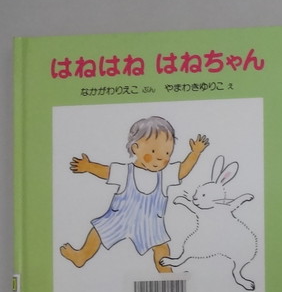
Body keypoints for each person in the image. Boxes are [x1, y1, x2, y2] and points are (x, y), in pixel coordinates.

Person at [60, 116, 208, 273]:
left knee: (161, 248)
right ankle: (82, 256)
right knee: (99, 230)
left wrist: (195, 153)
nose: (161, 158)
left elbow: (182, 170)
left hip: (149, 224)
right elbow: (106, 172)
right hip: (120, 218)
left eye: (167, 153)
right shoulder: (125, 171)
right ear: (135, 148)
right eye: (153, 151)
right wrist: (89, 167)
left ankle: (167, 274)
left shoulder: (165, 175)